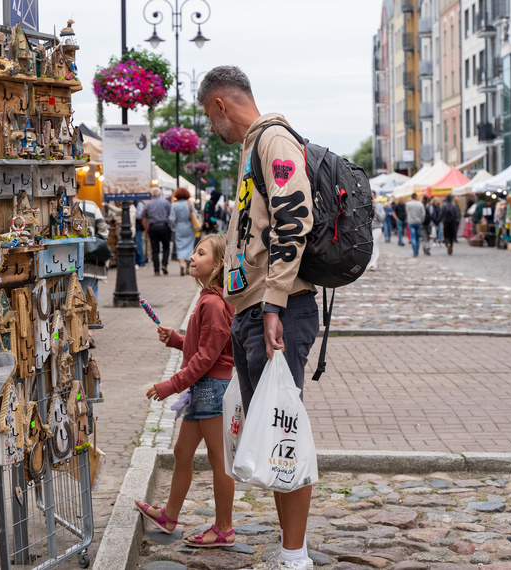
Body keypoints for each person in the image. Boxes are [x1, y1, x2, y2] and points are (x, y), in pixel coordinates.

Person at [199, 65, 319, 570]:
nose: (211, 128)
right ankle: (292, 551)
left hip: (278, 310)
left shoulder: (272, 140)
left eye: (210, 117)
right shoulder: (254, 147)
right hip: (254, 310)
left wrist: (273, 302)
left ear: (222, 105)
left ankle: (295, 556)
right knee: (272, 434)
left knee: (283, 431)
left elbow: (295, 217)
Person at [135, 235, 235, 548]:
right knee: (182, 453)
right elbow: (204, 346)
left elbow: (206, 358)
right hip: (204, 389)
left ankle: (224, 528)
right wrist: (177, 339)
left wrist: (168, 386)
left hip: (212, 390)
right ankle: (169, 516)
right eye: (193, 251)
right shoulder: (207, 297)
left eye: (200, 253)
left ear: (218, 264)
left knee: (220, 462)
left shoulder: (215, 303)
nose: (192, 257)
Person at [78, 199, 110, 298]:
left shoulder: (59, 204)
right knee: (90, 294)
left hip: (63, 260)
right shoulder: (90, 205)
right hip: (89, 260)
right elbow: (104, 230)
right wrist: (92, 241)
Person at [141, 188, 172, 275]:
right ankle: (164, 264)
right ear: (160, 194)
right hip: (164, 227)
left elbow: (143, 217)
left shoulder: (148, 204)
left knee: (155, 250)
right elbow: (171, 215)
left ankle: (156, 270)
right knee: (166, 247)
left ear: (151, 195)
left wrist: (146, 229)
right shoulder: (166, 203)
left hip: (153, 227)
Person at [169, 187, 198, 276]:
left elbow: (172, 218)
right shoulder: (189, 204)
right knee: (189, 246)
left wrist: (173, 227)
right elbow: (196, 214)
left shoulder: (174, 205)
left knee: (180, 246)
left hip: (179, 227)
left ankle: (181, 263)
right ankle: (187, 268)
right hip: (189, 227)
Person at [367, 190, 385, 271]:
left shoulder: (379, 205)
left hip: (377, 227)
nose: (372, 196)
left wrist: (376, 213)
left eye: (373, 195)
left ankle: (373, 264)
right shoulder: (365, 204)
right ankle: (370, 263)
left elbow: (382, 218)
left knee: (374, 244)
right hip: (367, 228)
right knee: (370, 246)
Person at [406, 193, 426, 257]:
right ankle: (417, 249)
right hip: (418, 222)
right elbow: (423, 214)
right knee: (417, 238)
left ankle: (415, 251)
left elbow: (407, 212)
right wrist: (422, 220)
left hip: (411, 222)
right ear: (416, 197)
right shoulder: (420, 204)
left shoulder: (408, 204)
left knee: (413, 237)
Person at [134, 199, 148, 267]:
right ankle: (138, 261)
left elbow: (140, 215)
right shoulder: (137, 202)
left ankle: (141, 261)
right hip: (137, 227)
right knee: (137, 243)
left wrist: (132, 215)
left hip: (138, 227)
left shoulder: (138, 203)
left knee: (138, 243)